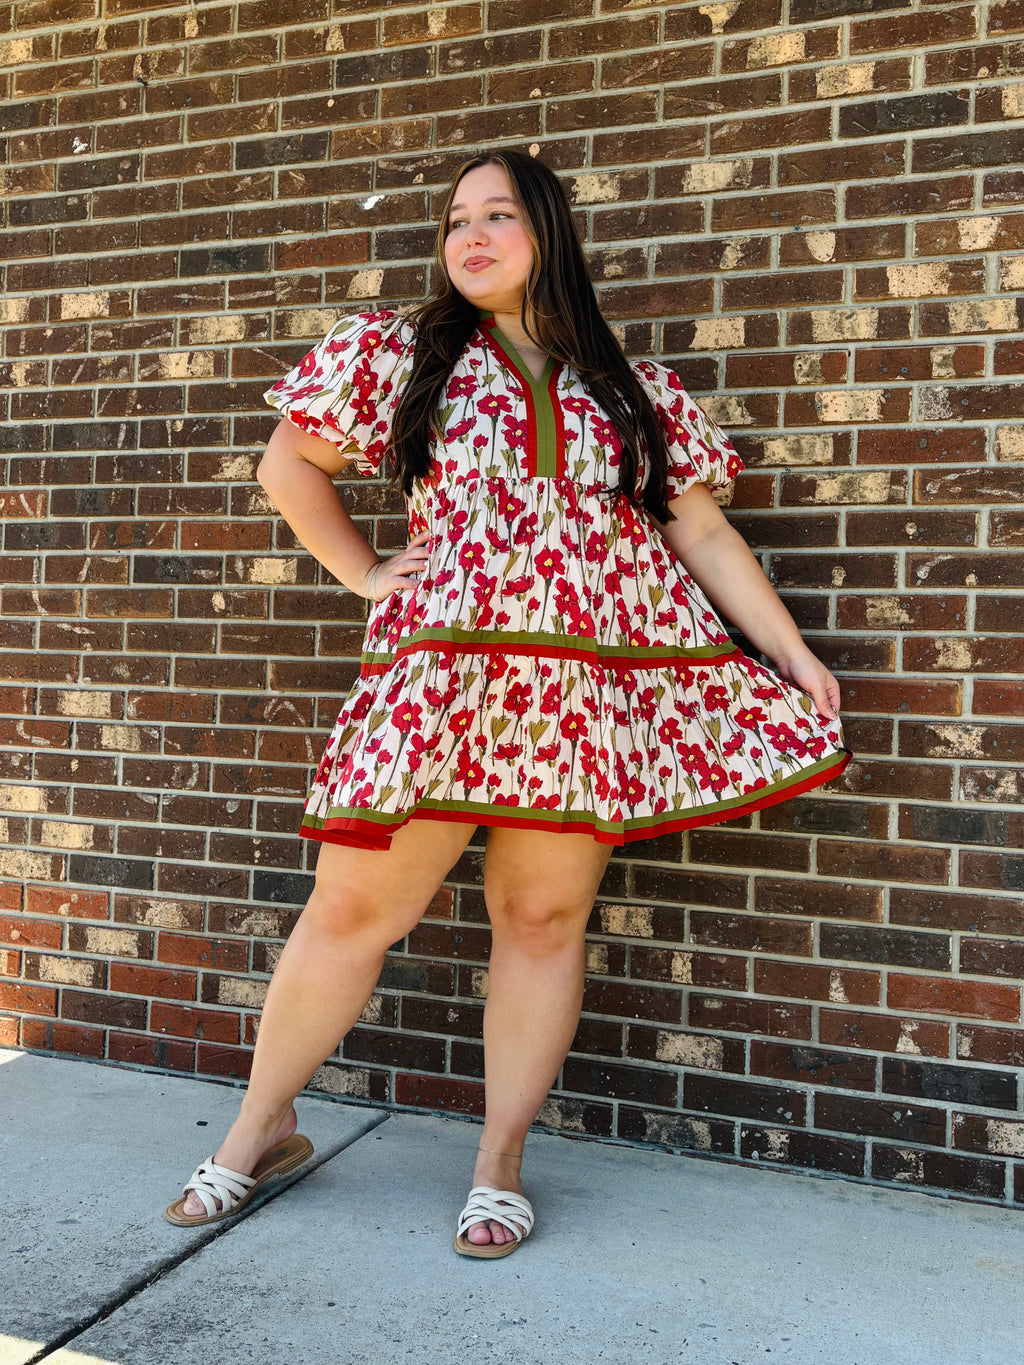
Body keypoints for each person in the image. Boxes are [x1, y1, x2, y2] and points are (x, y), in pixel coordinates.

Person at [164, 148, 849, 1258]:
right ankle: (259, 1129)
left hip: (577, 691)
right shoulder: (403, 353)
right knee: (350, 909)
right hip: (444, 682)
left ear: (550, 235)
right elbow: (288, 464)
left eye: (498, 216)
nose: (470, 237)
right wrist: (366, 572)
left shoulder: (631, 388)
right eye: (455, 221)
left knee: (539, 919)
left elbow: (704, 533)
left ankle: (499, 1163)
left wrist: (791, 652)